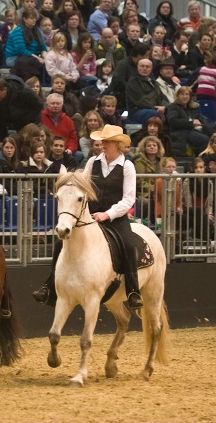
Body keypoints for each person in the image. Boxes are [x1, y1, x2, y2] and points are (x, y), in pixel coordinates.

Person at [33, 125, 144, 309]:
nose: (103, 144)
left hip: (115, 218)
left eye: (107, 141)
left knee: (129, 245)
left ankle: (133, 291)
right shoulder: (93, 162)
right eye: (102, 141)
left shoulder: (127, 166)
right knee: (60, 243)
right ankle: (50, 286)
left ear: (117, 144)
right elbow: (83, 188)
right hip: (90, 216)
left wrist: (107, 214)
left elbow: (128, 199)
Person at [0, 76, 43, 141]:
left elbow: (39, 104)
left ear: (5, 89)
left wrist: (25, 118)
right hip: (14, 124)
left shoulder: (24, 90)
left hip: (31, 123)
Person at [165, 86, 210, 157]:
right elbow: (173, 121)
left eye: (187, 94)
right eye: (182, 94)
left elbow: (201, 118)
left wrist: (199, 122)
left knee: (212, 135)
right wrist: (191, 122)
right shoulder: (173, 107)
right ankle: (202, 160)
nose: (185, 96)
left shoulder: (193, 107)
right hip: (180, 133)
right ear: (178, 96)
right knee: (204, 139)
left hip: (192, 130)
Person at [133, 136, 165, 222]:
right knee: (152, 203)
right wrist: (154, 188)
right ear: (144, 148)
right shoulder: (139, 161)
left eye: (154, 145)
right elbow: (140, 181)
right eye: (149, 145)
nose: (152, 147)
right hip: (144, 193)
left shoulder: (161, 161)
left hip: (159, 192)